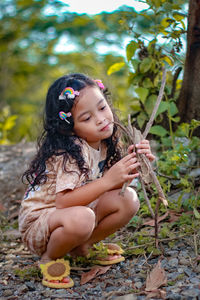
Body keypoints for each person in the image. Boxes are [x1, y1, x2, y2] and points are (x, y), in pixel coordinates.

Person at [18, 73, 155, 288]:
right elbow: (63, 202)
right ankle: (50, 258)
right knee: (83, 218)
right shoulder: (71, 151)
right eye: (86, 118)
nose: (100, 119)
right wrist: (108, 180)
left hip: (76, 212)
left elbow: (116, 185)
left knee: (128, 199)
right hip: (42, 221)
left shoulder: (104, 142)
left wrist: (135, 161)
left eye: (102, 108)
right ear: (69, 127)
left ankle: (82, 247)